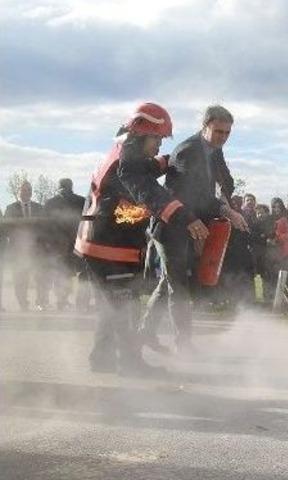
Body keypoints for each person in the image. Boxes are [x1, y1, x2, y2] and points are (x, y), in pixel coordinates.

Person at [75, 102, 197, 376]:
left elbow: (144, 168)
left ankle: (101, 359)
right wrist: (182, 215)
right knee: (125, 307)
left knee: (111, 307)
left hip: (96, 243)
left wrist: (169, 160)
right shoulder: (126, 161)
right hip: (109, 247)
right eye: (157, 139)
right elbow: (145, 188)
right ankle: (131, 365)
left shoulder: (123, 152)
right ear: (141, 134)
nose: (159, 144)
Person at [142, 105, 248, 355]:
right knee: (178, 286)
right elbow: (195, 195)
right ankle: (183, 343)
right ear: (205, 126)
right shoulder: (188, 151)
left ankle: (145, 332)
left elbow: (225, 181)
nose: (223, 137)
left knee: (170, 281)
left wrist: (227, 197)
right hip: (170, 225)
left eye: (227, 133)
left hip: (191, 225)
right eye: (218, 131)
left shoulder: (214, 150)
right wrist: (227, 211)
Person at [4, 181, 48, 311]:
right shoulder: (10, 208)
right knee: (20, 278)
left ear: (31, 192)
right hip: (18, 249)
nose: (26, 193)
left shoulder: (39, 208)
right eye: (23, 190)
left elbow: (45, 227)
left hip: (37, 249)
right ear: (19, 192)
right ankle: (23, 303)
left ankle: (40, 302)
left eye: (28, 190)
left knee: (41, 277)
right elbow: (6, 228)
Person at [44, 178, 87, 311]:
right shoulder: (81, 201)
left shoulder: (50, 203)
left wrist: (49, 242)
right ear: (71, 187)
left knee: (63, 272)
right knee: (76, 272)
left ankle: (63, 301)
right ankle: (78, 302)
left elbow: (46, 226)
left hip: (62, 243)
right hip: (75, 243)